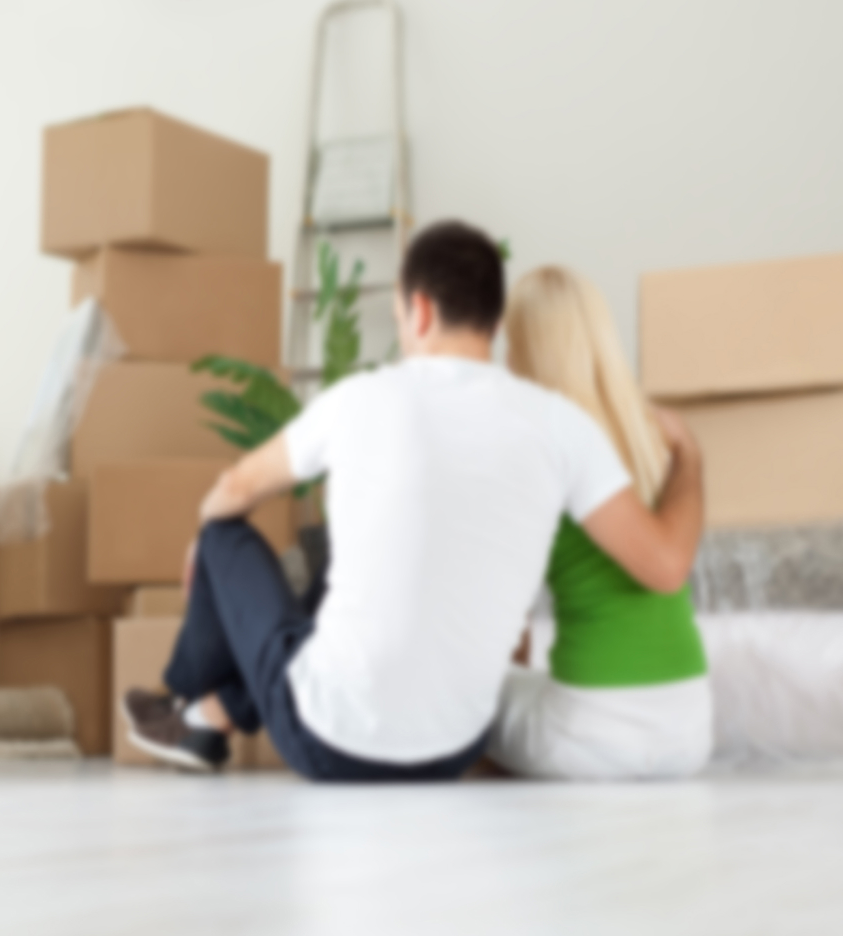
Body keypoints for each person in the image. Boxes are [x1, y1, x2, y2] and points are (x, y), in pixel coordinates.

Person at [121, 220, 704, 782]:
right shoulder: (565, 428)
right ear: (494, 329)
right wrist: (690, 456)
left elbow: (236, 489)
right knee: (344, 570)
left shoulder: (360, 397)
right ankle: (206, 716)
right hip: (459, 748)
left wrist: (203, 537)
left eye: (397, 316)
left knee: (224, 531)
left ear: (418, 311)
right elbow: (657, 563)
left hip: (331, 745)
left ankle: (184, 701)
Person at [487, 266, 711, 779]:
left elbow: (511, 607)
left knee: (478, 689)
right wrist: (690, 456)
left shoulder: (537, 448)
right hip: (689, 730)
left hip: (595, 739)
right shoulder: (653, 434)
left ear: (528, 351)